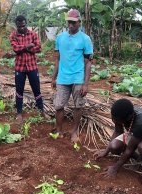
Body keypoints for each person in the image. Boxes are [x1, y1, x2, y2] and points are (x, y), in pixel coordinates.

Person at [51, 9, 93, 143]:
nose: (70, 25)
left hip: (78, 78)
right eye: (69, 22)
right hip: (63, 78)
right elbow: (57, 59)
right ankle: (59, 130)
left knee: (78, 106)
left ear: (79, 22)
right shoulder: (60, 38)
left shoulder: (85, 39)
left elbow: (88, 63)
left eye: (73, 23)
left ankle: (74, 131)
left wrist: (86, 84)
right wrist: (53, 77)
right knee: (58, 106)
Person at [94, 99, 142, 177]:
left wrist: (115, 168)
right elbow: (118, 131)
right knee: (114, 146)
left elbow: (129, 149)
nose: (113, 120)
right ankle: (136, 157)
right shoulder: (120, 114)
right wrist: (106, 151)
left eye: (116, 120)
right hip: (135, 134)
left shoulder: (141, 122)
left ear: (128, 118)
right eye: (113, 118)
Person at [9, 15, 46, 122]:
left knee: (37, 89)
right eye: (19, 26)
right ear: (16, 25)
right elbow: (15, 48)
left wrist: (24, 48)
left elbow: (38, 48)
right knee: (19, 90)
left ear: (26, 24)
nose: (21, 28)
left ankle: (41, 111)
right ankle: (19, 113)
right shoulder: (13, 35)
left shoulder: (33, 34)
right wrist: (28, 46)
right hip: (19, 68)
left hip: (32, 66)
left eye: (23, 25)